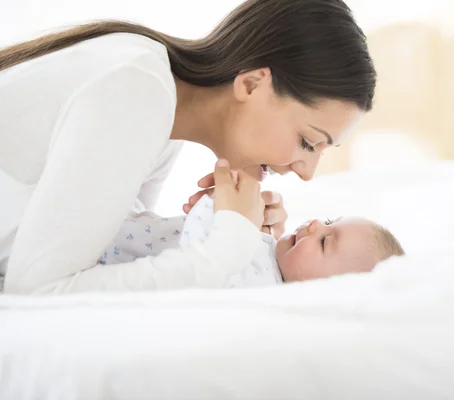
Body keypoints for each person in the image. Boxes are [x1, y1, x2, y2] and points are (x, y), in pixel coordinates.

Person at [0, 0, 376, 294]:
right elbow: (40, 290)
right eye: (308, 142)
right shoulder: (136, 92)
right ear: (251, 85)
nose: (306, 173)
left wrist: (243, 246)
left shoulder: (162, 110)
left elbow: (105, 248)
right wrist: (229, 246)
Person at [98, 173, 404, 290]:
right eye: (326, 221)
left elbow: (199, 267)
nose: (314, 225)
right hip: (120, 225)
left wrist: (220, 208)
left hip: (103, 256)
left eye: (325, 242)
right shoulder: (269, 251)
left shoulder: (260, 285)